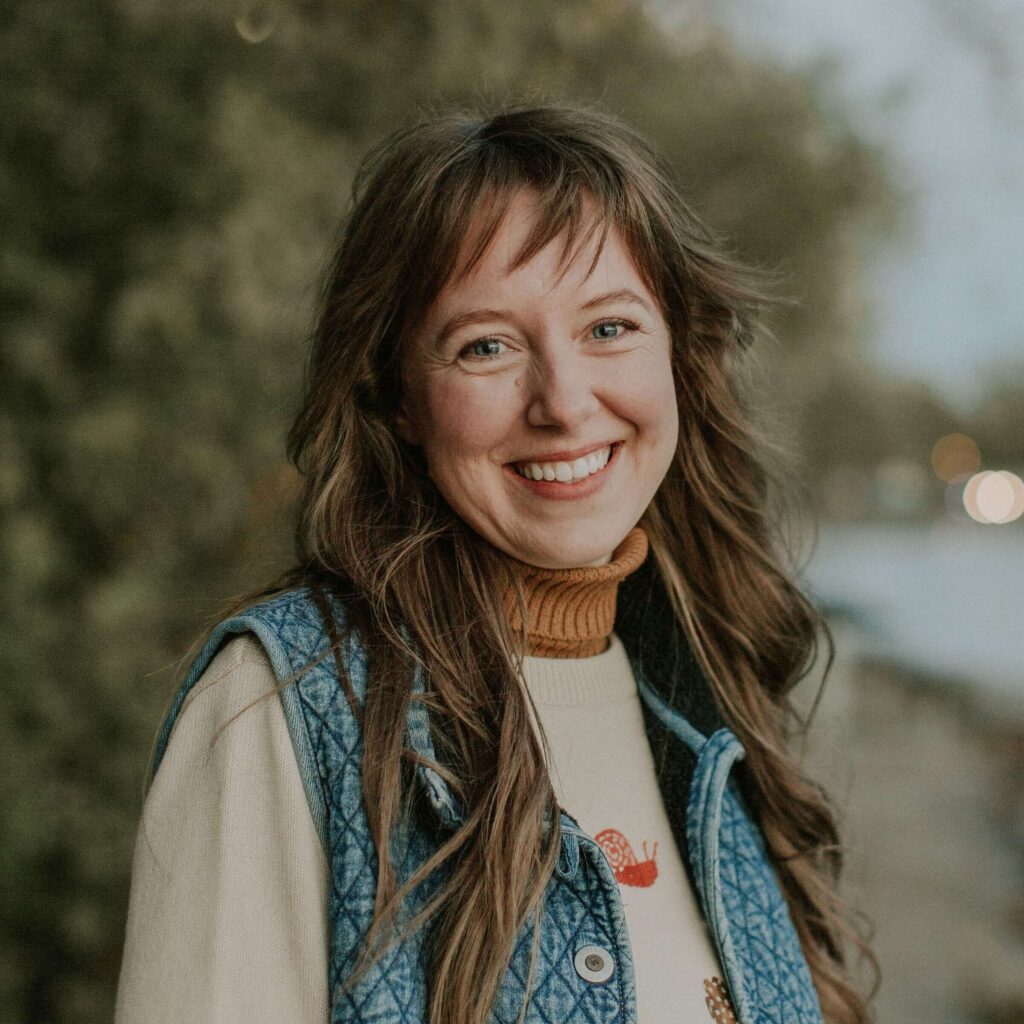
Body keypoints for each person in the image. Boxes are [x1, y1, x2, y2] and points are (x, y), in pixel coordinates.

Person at [114, 102, 875, 1024]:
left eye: (609, 328)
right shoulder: (287, 706)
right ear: (396, 397)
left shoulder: (704, 689)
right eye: (487, 346)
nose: (563, 401)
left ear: (679, 350)